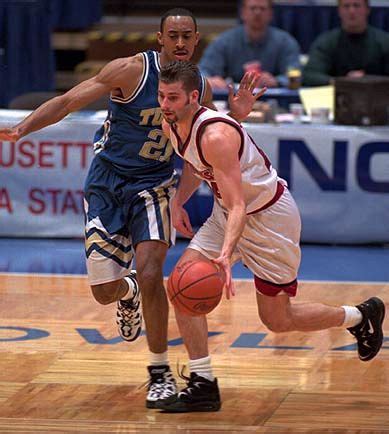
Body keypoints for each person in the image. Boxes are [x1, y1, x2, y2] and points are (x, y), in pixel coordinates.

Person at [0, 9, 264, 409]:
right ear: (160, 39)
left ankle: (158, 373)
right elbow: (70, 100)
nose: (179, 42)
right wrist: (23, 129)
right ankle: (129, 292)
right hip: (107, 184)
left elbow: (209, 141)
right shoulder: (130, 71)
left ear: (196, 41)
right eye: (172, 35)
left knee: (154, 269)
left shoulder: (200, 89)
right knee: (104, 292)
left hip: (153, 185)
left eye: (186, 36)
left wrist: (235, 118)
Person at [156, 60, 386, 412]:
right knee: (181, 287)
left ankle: (359, 315)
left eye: (173, 97)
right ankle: (203, 383)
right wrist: (177, 202)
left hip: (268, 219)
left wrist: (225, 255)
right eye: (161, 96)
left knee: (278, 320)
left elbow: (238, 207)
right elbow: (194, 164)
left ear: (192, 97)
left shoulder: (216, 135)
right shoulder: (170, 124)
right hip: (226, 213)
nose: (165, 104)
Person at [199, 0, 301, 89]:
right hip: (232, 99)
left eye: (262, 9)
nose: (257, 12)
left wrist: (276, 81)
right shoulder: (225, 41)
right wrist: (210, 80)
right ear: (243, 13)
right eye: (253, 8)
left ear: (270, 14)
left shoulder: (285, 42)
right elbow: (202, 72)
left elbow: (296, 75)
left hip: (272, 98)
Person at [303, 0, 389, 86]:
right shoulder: (326, 42)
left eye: (356, 6)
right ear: (339, 11)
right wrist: (342, 82)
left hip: (377, 96)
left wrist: (367, 81)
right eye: (346, 6)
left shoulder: (384, 41)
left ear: (367, 10)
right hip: (337, 96)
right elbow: (310, 75)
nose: (351, 11)